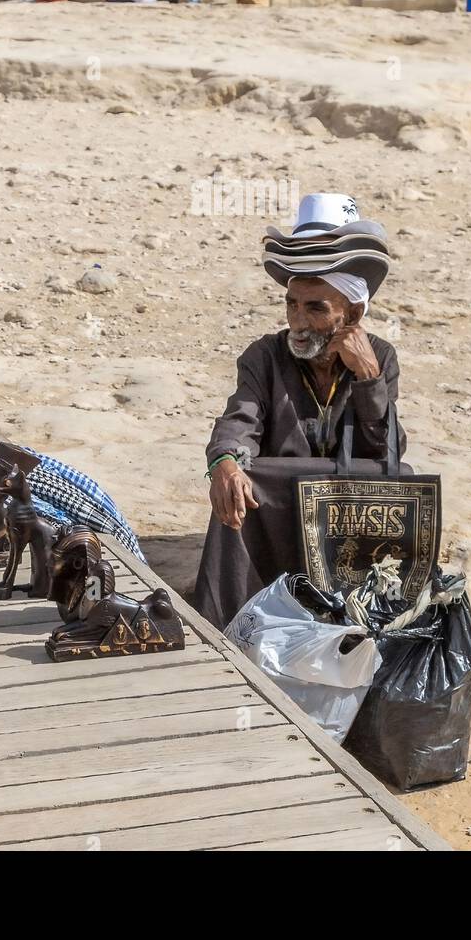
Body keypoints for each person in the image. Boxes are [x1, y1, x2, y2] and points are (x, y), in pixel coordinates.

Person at [192, 192, 406, 629]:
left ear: (352, 312)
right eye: (292, 304)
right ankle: (225, 631)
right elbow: (240, 419)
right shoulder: (265, 355)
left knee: (399, 477)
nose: (298, 320)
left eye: (315, 308)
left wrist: (367, 378)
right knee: (238, 482)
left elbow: (387, 452)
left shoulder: (380, 356)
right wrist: (225, 462)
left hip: (350, 506)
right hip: (280, 503)